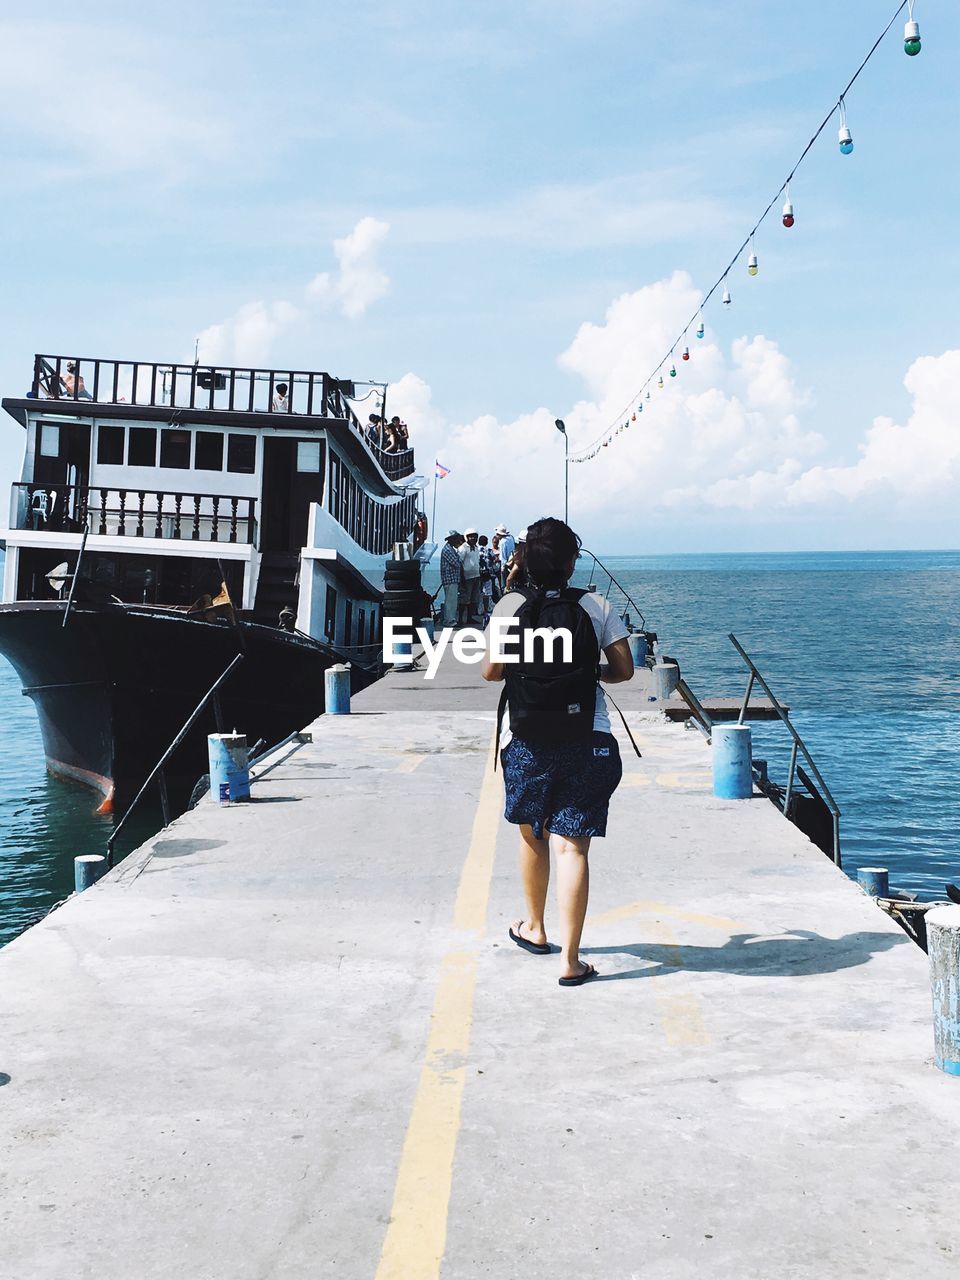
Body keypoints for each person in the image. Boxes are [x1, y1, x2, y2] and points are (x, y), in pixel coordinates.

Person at [481, 516, 634, 986]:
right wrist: (589, 675)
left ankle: (536, 927)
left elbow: (491, 672)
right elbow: (624, 670)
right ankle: (571, 959)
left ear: (525, 559)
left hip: (528, 739)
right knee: (573, 847)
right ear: (572, 562)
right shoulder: (596, 605)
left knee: (532, 834)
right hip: (588, 739)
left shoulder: (510, 605)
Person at [458, 527, 482, 625]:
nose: (473, 538)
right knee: (464, 599)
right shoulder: (463, 548)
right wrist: (462, 577)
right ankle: (460, 618)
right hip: (466, 577)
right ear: (466, 537)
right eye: (471, 537)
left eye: (475, 537)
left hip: (476, 576)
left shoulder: (476, 548)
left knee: (473, 599)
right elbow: (459, 563)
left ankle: (469, 618)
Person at [440, 530, 463, 629]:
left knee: (452, 601)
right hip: (450, 579)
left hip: (452, 579)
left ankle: (450, 619)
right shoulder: (448, 550)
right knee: (451, 601)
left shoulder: (450, 549)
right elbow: (457, 563)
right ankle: (449, 621)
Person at [504, 527, 528, 592]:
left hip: (519, 588)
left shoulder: (519, 556)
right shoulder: (533, 555)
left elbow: (510, 577)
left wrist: (507, 589)